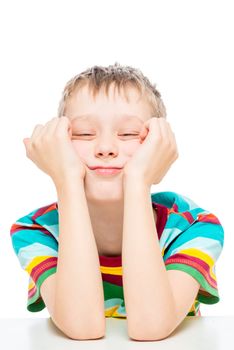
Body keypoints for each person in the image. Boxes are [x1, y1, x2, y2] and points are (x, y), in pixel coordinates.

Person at [10, 63, 224, 341]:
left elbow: (150, 328)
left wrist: (138, 180)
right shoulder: (36, 230)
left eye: (129, 134)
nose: (106, 148)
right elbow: (82, 328)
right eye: (85, 134)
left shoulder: (194, 227)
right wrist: (66, 181)